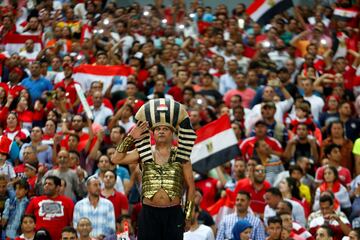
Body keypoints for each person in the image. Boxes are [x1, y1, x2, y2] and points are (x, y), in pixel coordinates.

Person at [111, 98, 196, 240]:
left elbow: (191, 187)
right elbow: (115, 159)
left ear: (172, 132)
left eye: (165, 129)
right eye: (158, 129)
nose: (161, 131)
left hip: (173, 212)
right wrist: (131, 137)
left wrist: (187, 215)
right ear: (153, 133)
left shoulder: (182, 156)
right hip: (149, 212)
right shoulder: (143, 152)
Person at [25, 176, 75, 240]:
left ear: (57, 187)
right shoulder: (35, 201)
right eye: (45, 184)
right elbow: (26, 221)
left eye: (50, 184)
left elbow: (71, 223)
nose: (46, 186)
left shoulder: (68, 202)